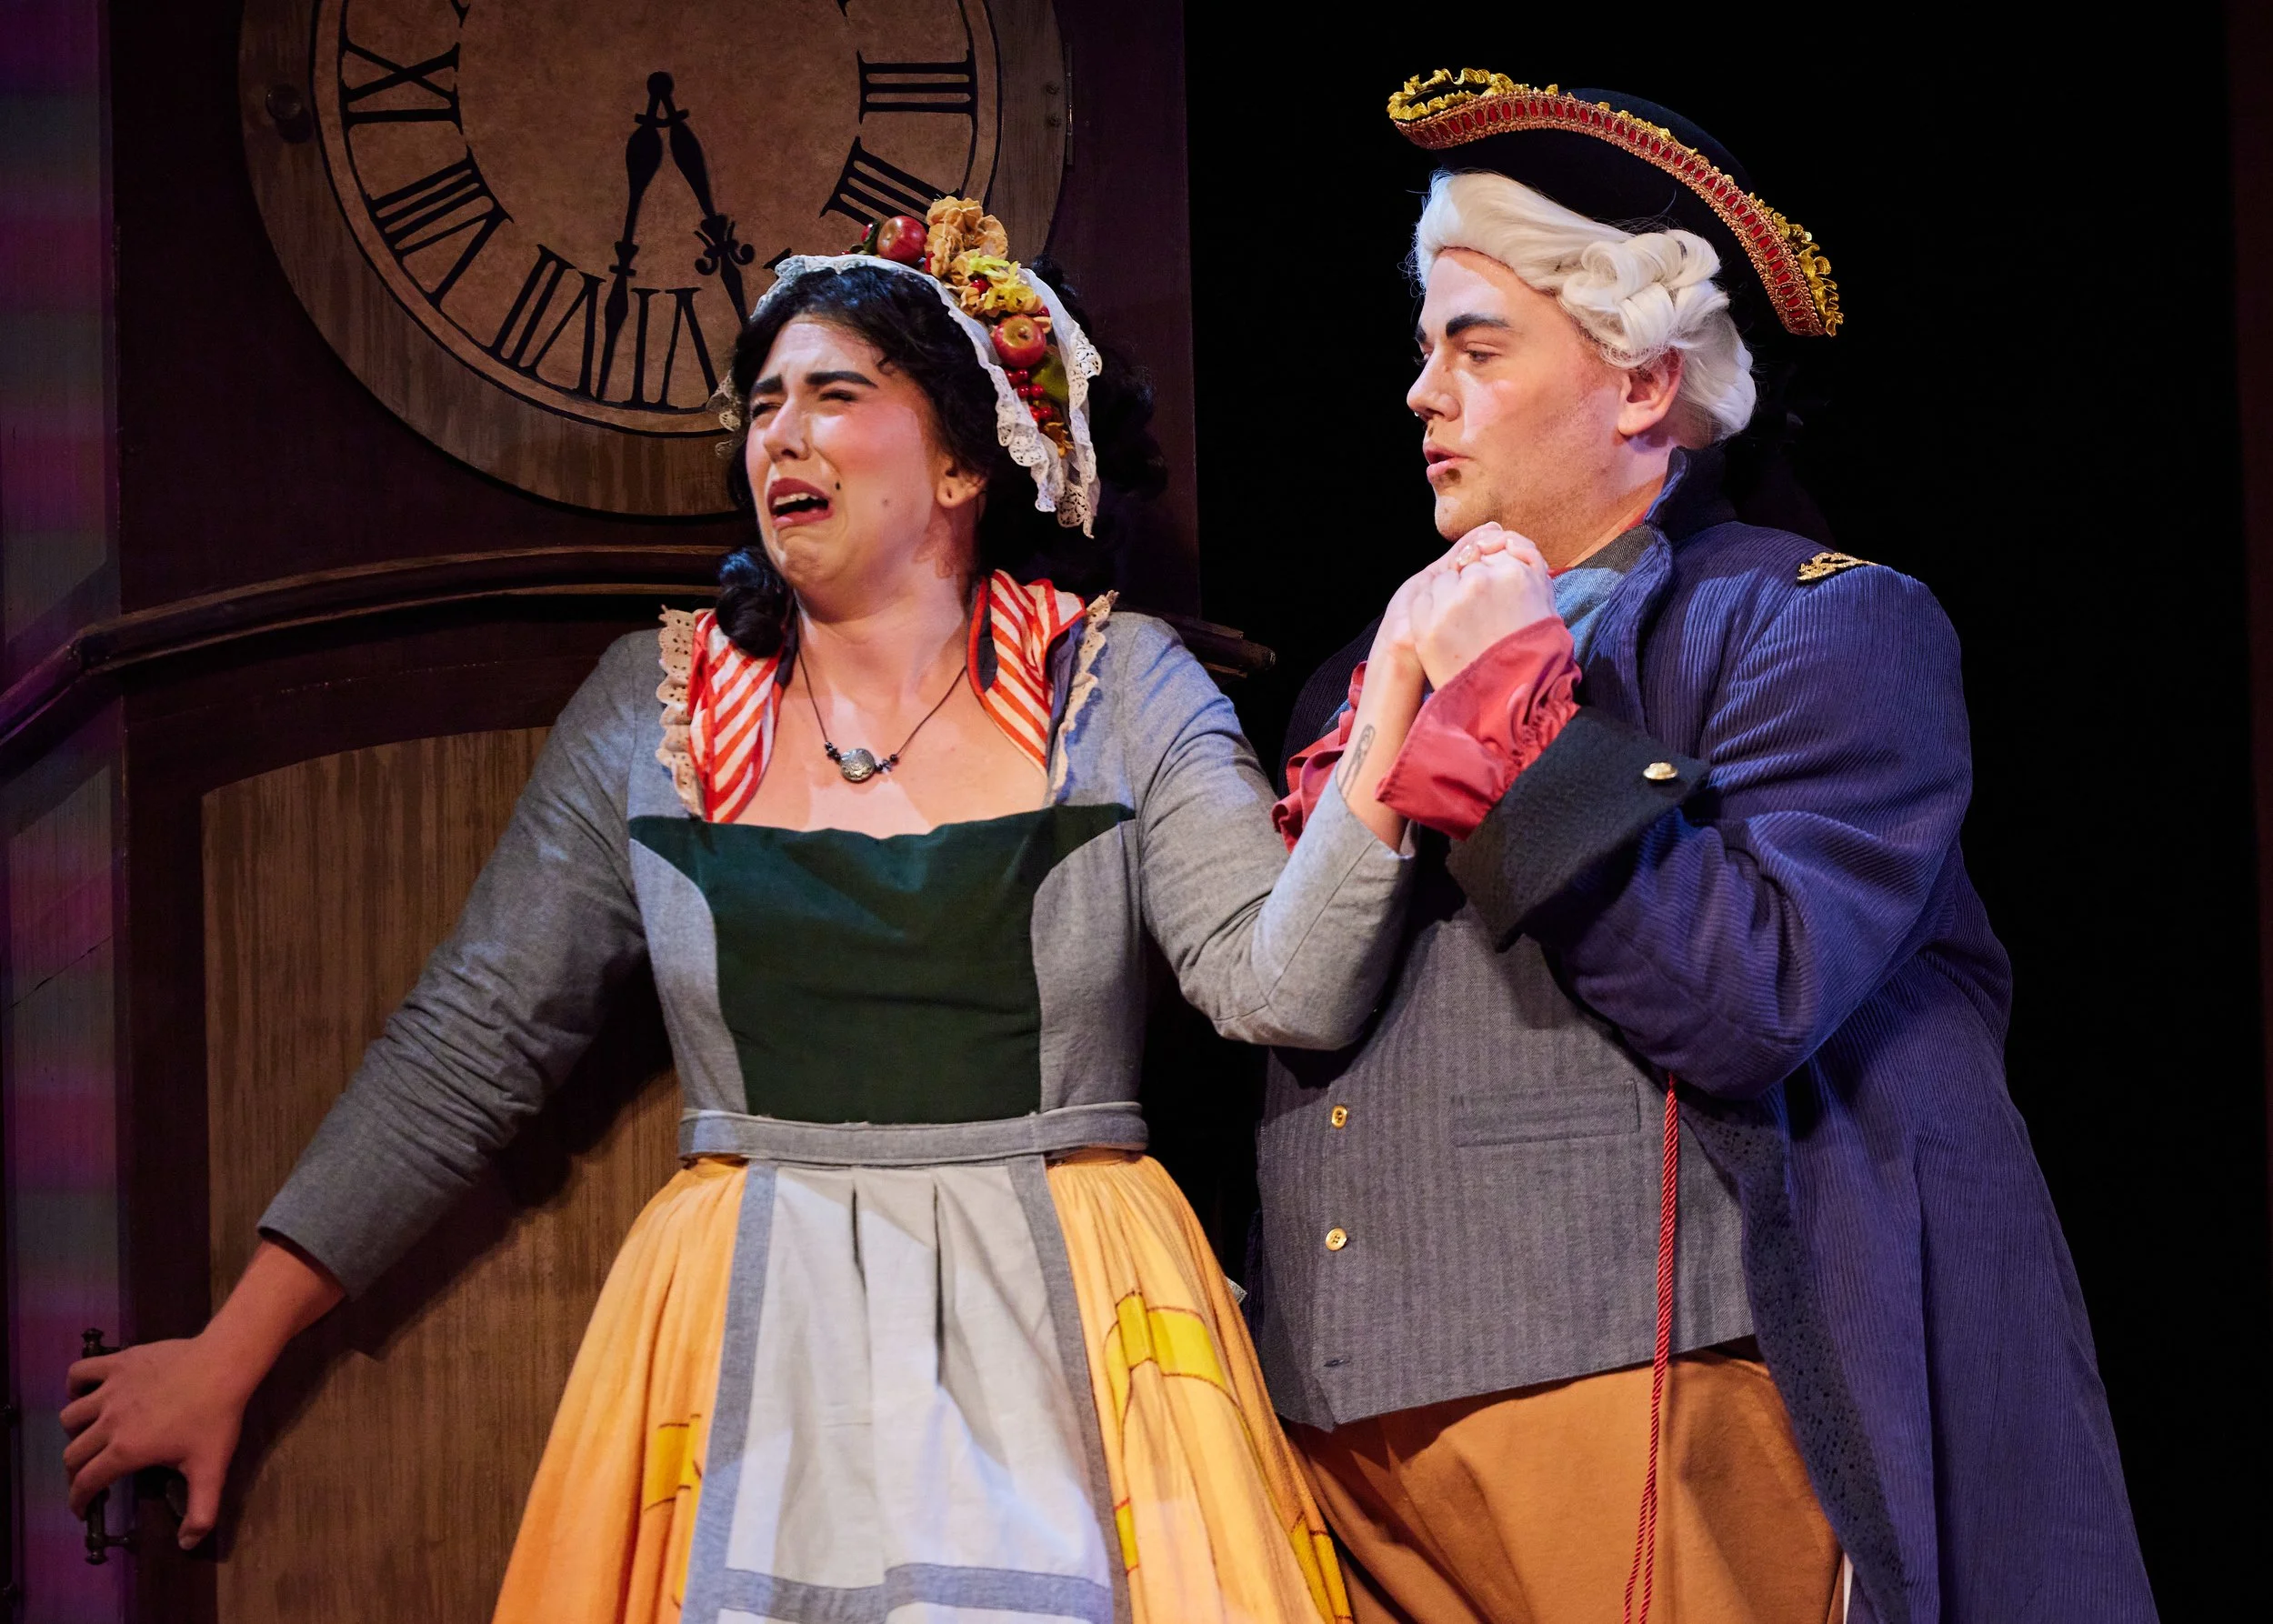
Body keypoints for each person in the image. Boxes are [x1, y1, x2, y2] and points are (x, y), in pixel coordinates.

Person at [62, 195, 1442, 1624]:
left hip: (1068, 1315)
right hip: (752, 1334)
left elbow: (1277, 984)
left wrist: (1397, 707)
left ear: (966, 458)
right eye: (765, 403)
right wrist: (231, 1348)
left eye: (836, 395)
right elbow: (472, 1041)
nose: (781, 434)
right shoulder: (658, 711)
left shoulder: (1118, 684)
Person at [1260, 72, 2157, 1624]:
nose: (1424, 392)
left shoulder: (1821, 625)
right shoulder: (1364, 668)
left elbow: (1753, 991)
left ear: (1641, 384)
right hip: (1347, 1443)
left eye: (1478, 347)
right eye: (1425, 347)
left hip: (1625, 1392)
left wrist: (1513, 707)